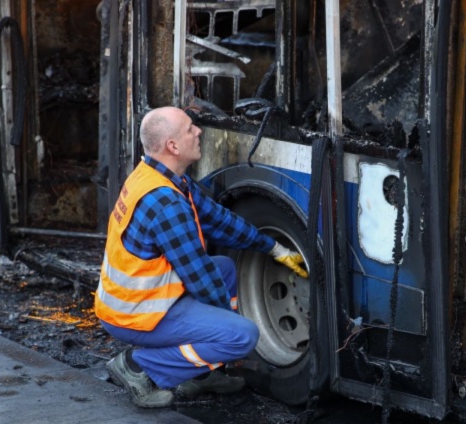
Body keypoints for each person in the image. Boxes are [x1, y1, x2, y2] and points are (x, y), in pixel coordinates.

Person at [95, 106, 308, 408]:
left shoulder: (161, 177)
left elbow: (218, 220)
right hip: (134, 316)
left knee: (224, 268)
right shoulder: (165, 202)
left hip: (138, 300)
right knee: (243, 335)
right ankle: (137, 365)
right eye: (189, 129)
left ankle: (200, 375)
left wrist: (272, 248)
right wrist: (228, 339)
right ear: (173, 146)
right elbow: (200, 280)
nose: (198, 132)